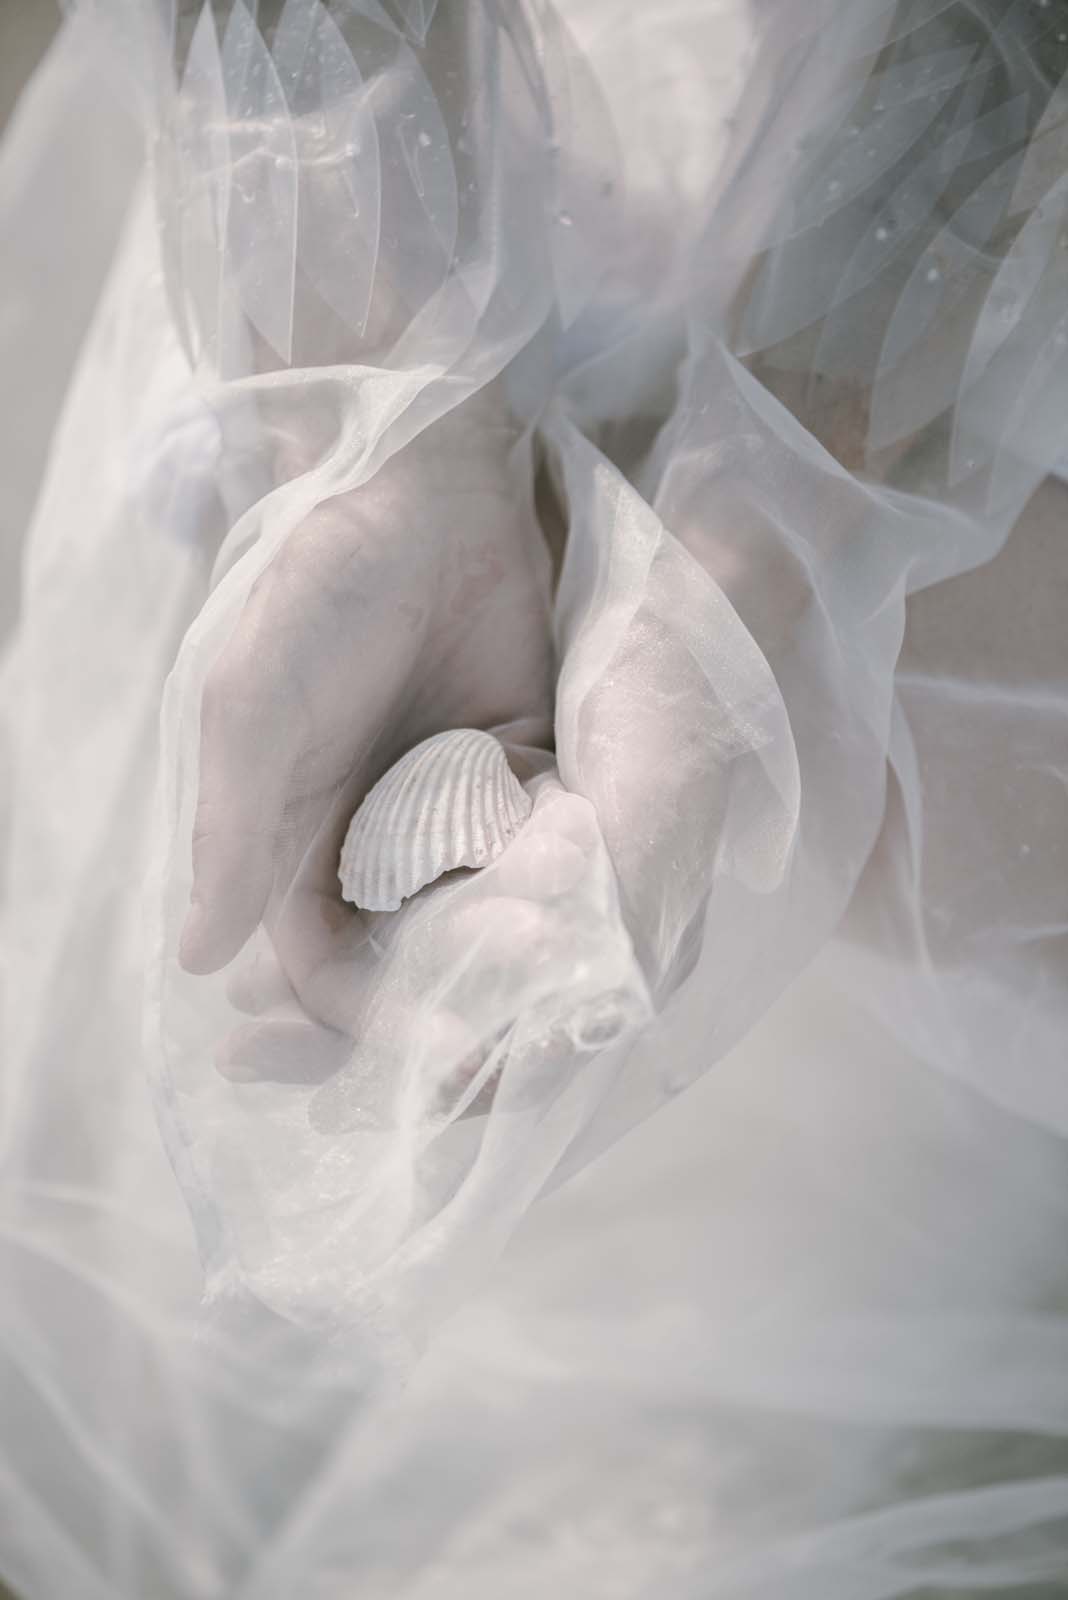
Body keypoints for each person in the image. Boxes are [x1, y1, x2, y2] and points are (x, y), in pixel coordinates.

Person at [1, 2, 1066, 1596]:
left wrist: (759, 538)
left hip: (951, 238)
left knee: (827, 1156)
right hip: (491, 154)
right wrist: (379, 419)